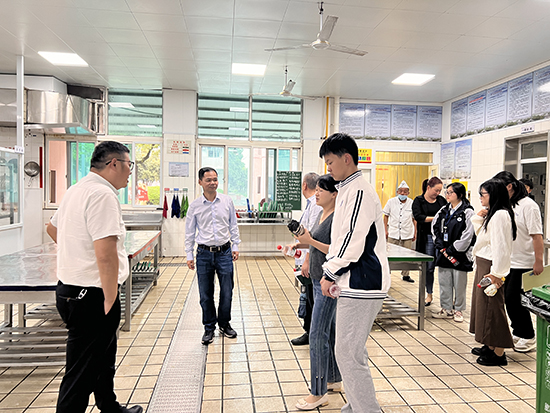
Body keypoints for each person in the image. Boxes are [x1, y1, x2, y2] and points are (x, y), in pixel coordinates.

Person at [46, 141, 142, 413]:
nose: (130, 171)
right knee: (81, 373)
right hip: (92, 295)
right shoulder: (103, 195)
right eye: (129, 165)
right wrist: (110, 298)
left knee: (103, 357)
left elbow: (51, 228)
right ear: (114, 164)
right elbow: (106, 254)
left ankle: (109, 406)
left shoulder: (76, 189)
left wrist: (77, 254)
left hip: (70, 290)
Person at [319, 133, 391, 413]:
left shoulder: (359, 191)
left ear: (346, 158)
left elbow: (352, 241)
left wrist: (329, 272)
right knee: (350, 352)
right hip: (354, 281)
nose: (328, 168)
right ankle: (356, 407)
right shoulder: (348, 189)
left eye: (330, 162)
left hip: (364, 282)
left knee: (348, 354)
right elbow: (342, 239)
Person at [286, 174, 342, 410]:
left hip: (328, 282)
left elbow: (336, 249)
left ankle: (318, 393)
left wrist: (310, 240)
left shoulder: (338, 218)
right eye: (316, 189)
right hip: (319, 278)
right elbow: (314, 242)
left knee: (317, 335)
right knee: (329, 331)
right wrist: (298, 244)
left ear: (334, 194)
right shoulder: (321, 214)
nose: (316, 193)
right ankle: (334, 379)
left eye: (321, 189)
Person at [185, 167, 241, 345]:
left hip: (224, 252)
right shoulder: (195, 206)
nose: (212, 183)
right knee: (205, 294)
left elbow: (233, 224)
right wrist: (189, 254)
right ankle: (209, 327)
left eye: (215, 179)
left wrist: (236, 245)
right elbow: (189, 231)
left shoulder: (226, 201)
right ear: (200, 182)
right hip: (203, 254)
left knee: (227, 291)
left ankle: (224, 324)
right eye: (208, 180)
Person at [494, 171, 543, 353]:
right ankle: (518, 331)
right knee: (509, 299)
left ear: (509, 186)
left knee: (515, 300)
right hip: (510, 261)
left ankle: (528, 336)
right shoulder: (508, 204)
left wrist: (539, 261)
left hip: (524, 262)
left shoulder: (529, 206)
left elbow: (537, 236)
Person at [470, 178, 517, 366]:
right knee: (484, 307)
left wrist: (497, 273)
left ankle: (499, 352)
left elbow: (501, 246)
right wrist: (479, 217)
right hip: (485, 264)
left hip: (492, 267)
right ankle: (489, 345)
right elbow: (483, 237)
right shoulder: (494, 214)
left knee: (493, 308)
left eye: (483, 194)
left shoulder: (500, 215)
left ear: (494, 195)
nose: (480, 198)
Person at [431, 183, 475, 323]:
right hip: (444, 253)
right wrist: (439, 244)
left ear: (460, 195)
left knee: (459, 284)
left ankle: (458, 310)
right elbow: (434, 226)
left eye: (451, 192)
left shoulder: (467, 211)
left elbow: (468, 234)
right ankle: (446, 308)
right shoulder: (444, 209)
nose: (447, 195)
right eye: (447, 192)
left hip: (459, 254)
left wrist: (452, 249)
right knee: (444, 282)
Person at [292, 172, 323, 346]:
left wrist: (307, 261)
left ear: (304, 185)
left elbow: (313, 236)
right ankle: (309, 331)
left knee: (311, 298)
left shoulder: (316, 205)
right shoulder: (311, 204)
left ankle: (311, 333)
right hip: (306, 256)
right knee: (307, 296)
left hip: (312, 260)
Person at [412, 177, 446, 306]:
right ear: (428, 188)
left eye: (440, 191)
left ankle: (446, 297)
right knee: (429, 267)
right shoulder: (419, 201)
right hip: (427, 237)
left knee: (443, 266)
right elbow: (419, 217)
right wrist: (436, 218)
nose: (438, 193)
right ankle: (429, 294)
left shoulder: (441, 201)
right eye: (436, 190)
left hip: (440, 237)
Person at [383, 180, 417, 283]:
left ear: (408, 193)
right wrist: (385, 230)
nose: (403, 193)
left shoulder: (412, 203)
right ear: (397, 192)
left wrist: (415, 232)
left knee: (407, 255)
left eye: (405, 191)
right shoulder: (391, 202)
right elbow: (385, 216)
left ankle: (406, 275)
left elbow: (414, 219)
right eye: (401, 191)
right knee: (389, 254)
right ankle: (387, 274)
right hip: (393, 232)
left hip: (407, 233)